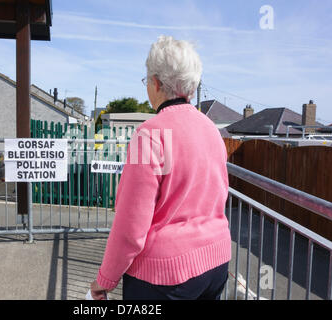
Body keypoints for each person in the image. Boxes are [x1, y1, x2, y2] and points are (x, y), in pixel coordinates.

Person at [90, 35, 231, 300]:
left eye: (147, 81)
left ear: (155, 82)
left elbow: (131, 227)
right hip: (216, 260)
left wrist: (104, 280)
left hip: (165, 277)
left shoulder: (150, 134)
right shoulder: (211, 130)